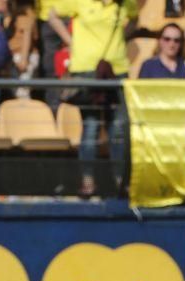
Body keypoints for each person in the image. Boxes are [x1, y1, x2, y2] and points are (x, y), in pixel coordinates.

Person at [49, 0, 138, 198]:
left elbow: (134, 18)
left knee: (118, 128)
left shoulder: (124, 3)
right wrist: (71, 42)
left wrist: (120, 38)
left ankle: (120, 181)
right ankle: (88, 181)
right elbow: (52, 16)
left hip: (117, 70)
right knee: (91, 127)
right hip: (86, 70)